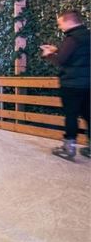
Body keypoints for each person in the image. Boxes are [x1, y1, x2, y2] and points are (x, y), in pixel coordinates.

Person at [41, 9, 90, 161]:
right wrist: (58, 49)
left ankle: (69, 148)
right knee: (89, 114)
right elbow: (77, 56)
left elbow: (62, 61)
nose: (60, 27)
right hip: (88, 84)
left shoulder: (72, 38)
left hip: (71, 85)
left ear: (69, 21)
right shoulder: (87, 36)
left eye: (61, 23)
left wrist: (49, 55)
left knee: (71, 116)